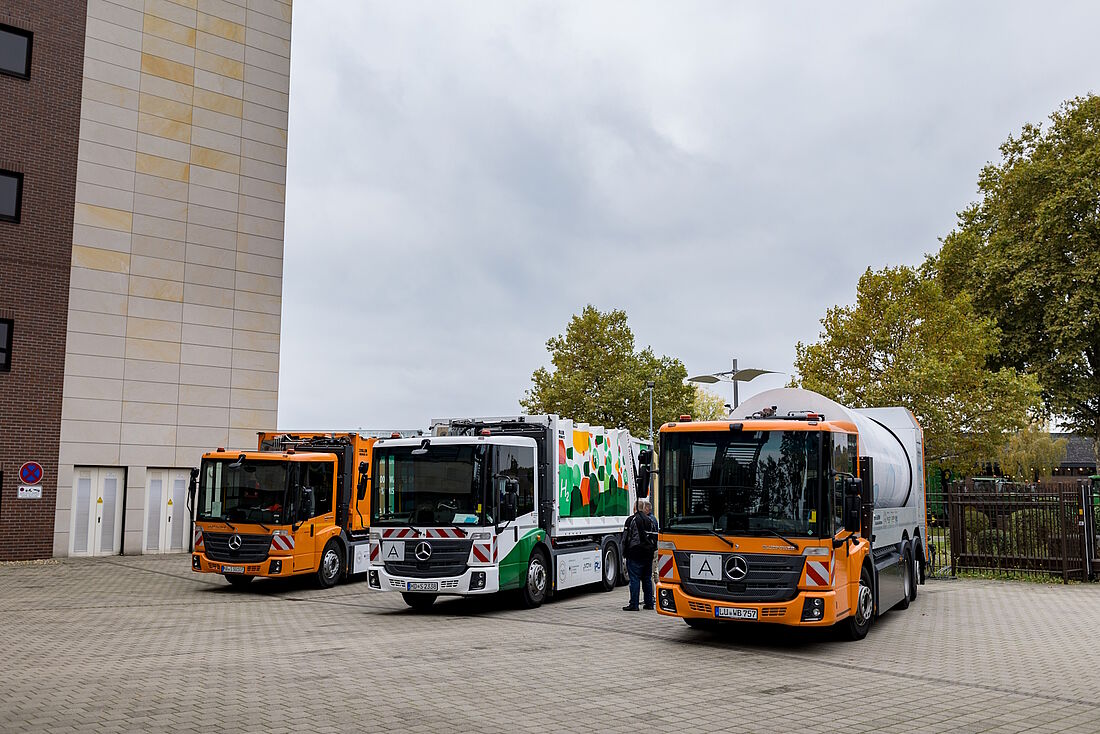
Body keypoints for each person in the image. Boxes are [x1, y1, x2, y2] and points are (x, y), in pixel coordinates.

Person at [622, 498, 657, 611]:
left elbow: (626, 538)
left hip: (635, 553)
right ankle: (649, 603)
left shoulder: (631, 520)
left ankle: (634, 604)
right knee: (647, 578)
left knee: (634, 579)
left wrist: (624, 552)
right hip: (648, 554)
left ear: (635, 508)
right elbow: (654, 537)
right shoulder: (650, 520)